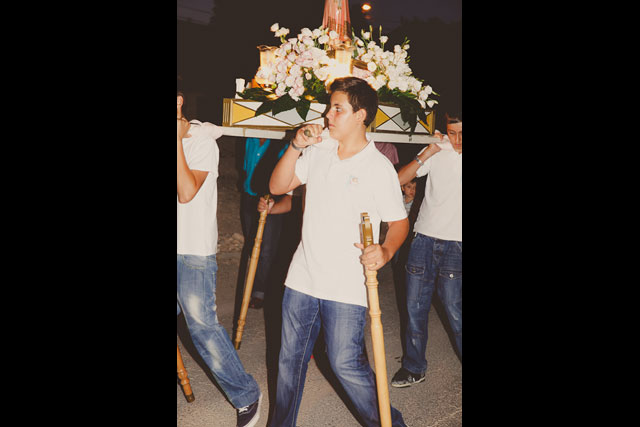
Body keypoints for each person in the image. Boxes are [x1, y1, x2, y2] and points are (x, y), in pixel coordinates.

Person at [268, 76, 409, 427]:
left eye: (337, 108)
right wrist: (296, 146)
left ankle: (391, 424)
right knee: (289, 362)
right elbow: (277, 186)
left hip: (347, 284)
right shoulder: (318, 149)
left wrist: (386, 250)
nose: (327, 114)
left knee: (346, 363)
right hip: (303, 276)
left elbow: (399, 223)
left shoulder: (377, 168)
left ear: (361, 114)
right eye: (330, 107)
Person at [176, 87, 262, 427]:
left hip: (193, 249)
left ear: (179, 100)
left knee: (202, 327)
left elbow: (186, 192)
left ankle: (247, 395)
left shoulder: (201, 140)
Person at [391, 110, 462, 388]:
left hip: (457, 244)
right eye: (452, 133)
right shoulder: (437, 150)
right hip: (423, 240)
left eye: (462, 134)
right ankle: (413, 367)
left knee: (455, 311)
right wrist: (428, 151)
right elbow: (398, 180)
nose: (457, 140)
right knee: (414, 308)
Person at [240, 137, 292, 309]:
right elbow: (247, 163)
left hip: (270, 198)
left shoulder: (282, 141)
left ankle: (260, 291)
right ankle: (254, 283)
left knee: (267, 247)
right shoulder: (251, 137)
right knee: (251, 242)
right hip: (249, 194)